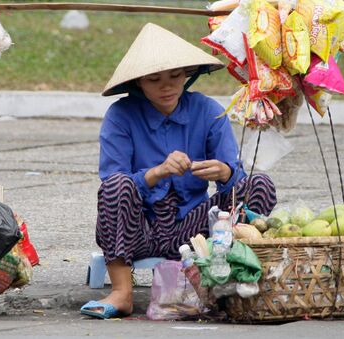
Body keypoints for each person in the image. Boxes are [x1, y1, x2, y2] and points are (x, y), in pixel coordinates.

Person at [80, 23, 277, 319]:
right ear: (138, 83)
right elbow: (112, 179)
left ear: (188, 74)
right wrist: (156, 173)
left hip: (196, 230)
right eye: (154, 79)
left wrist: (224, 173)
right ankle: (122, 291)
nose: (167, 86)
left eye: (175, 76)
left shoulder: (208, 110)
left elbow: (235, 181)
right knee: (117, 186)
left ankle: (233, 280)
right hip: (140, 228)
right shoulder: (120, 116)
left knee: (259, 184)